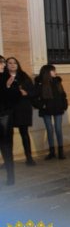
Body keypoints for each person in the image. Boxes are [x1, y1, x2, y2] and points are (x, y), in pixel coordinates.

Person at [5, 57, 37, 166]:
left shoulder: (24, 76)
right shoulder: (3, 77)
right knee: (8, 136)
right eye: (9, 63)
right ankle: (8, 161)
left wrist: (26, 93)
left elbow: (33, 92)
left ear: (18, 64)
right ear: (6, 65)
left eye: (15, 63)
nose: (12, 65)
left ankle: (29, 158)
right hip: (9, 109)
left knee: (24, 133)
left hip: (23, 108)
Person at [34, 64, 68, 160]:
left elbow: (62, 94)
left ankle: (61, 152)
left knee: (58, 129)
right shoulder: (39, 83)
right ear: (47, 72)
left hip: (57, 108)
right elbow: (35, 96)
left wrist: (64, 104)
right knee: (49, 130)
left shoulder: (57, 81)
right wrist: (41, 105)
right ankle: (52, 152)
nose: (55, 72)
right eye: (53, 71)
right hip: (46, 109)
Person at [0, 55, 20, 185]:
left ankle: (10, 177)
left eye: (3, 62)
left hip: (4, 116)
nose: (3, 64)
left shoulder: (9, 78)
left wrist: (8, 87)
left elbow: (15, 97)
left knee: (6, 147)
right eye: (1, 62)